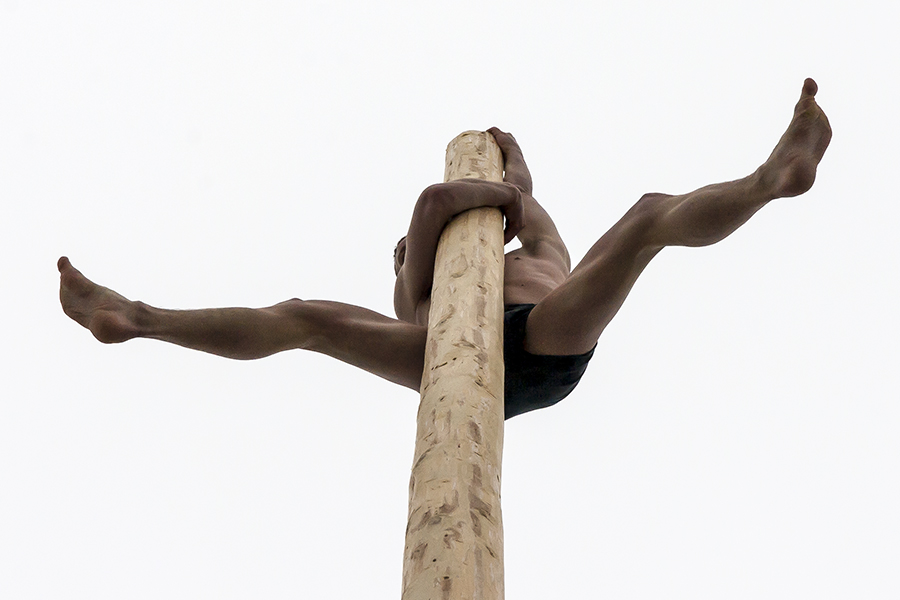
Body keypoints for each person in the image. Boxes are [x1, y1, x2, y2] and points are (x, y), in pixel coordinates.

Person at [59, 79, 832, 419]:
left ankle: (771, 178)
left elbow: (485, 200)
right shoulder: (430, 289)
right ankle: (137, 317)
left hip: (537, 338)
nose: (407, 252)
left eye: (407, 252)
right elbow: (445, 204)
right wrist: (503, 191)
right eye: (403, 253)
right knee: (303, 316)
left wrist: (509, 175)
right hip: (465, 354)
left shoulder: (474, 273)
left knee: (647, 217)